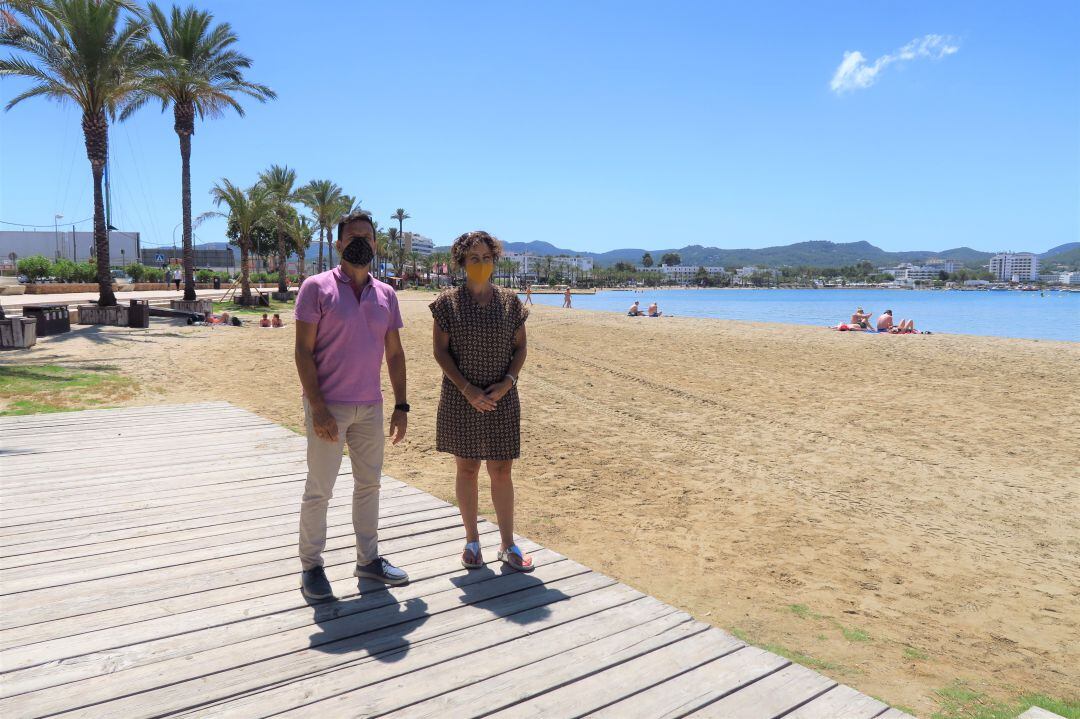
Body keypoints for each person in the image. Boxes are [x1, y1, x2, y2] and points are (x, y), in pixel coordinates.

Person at [293, 209, 410, 601]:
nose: (361, 242)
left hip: (370, 407)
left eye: (368, 236)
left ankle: (368, 561)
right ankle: (311, 567)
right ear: (339, 243)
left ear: (376, 244)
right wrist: (319, 407)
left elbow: (394, 354)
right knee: (320, 489)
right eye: (353, 236)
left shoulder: (386, 294)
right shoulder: (316, 287)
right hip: (329, 407)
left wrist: (401, 405)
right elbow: (303, 353)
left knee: (369, 485)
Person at [430, 230, 532, 573]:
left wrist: (508, 381)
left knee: (502, 470)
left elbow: (520, 347)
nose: (481, 264)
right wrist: (466, 389)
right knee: (467, 468)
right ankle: (472, 542)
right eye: (474, 258)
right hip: (462, 398)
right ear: (462, 262)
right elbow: (440, 352)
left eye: (487, 258)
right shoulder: (447, 304)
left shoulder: (510, 302)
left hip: (503, 397)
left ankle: (507, 544)